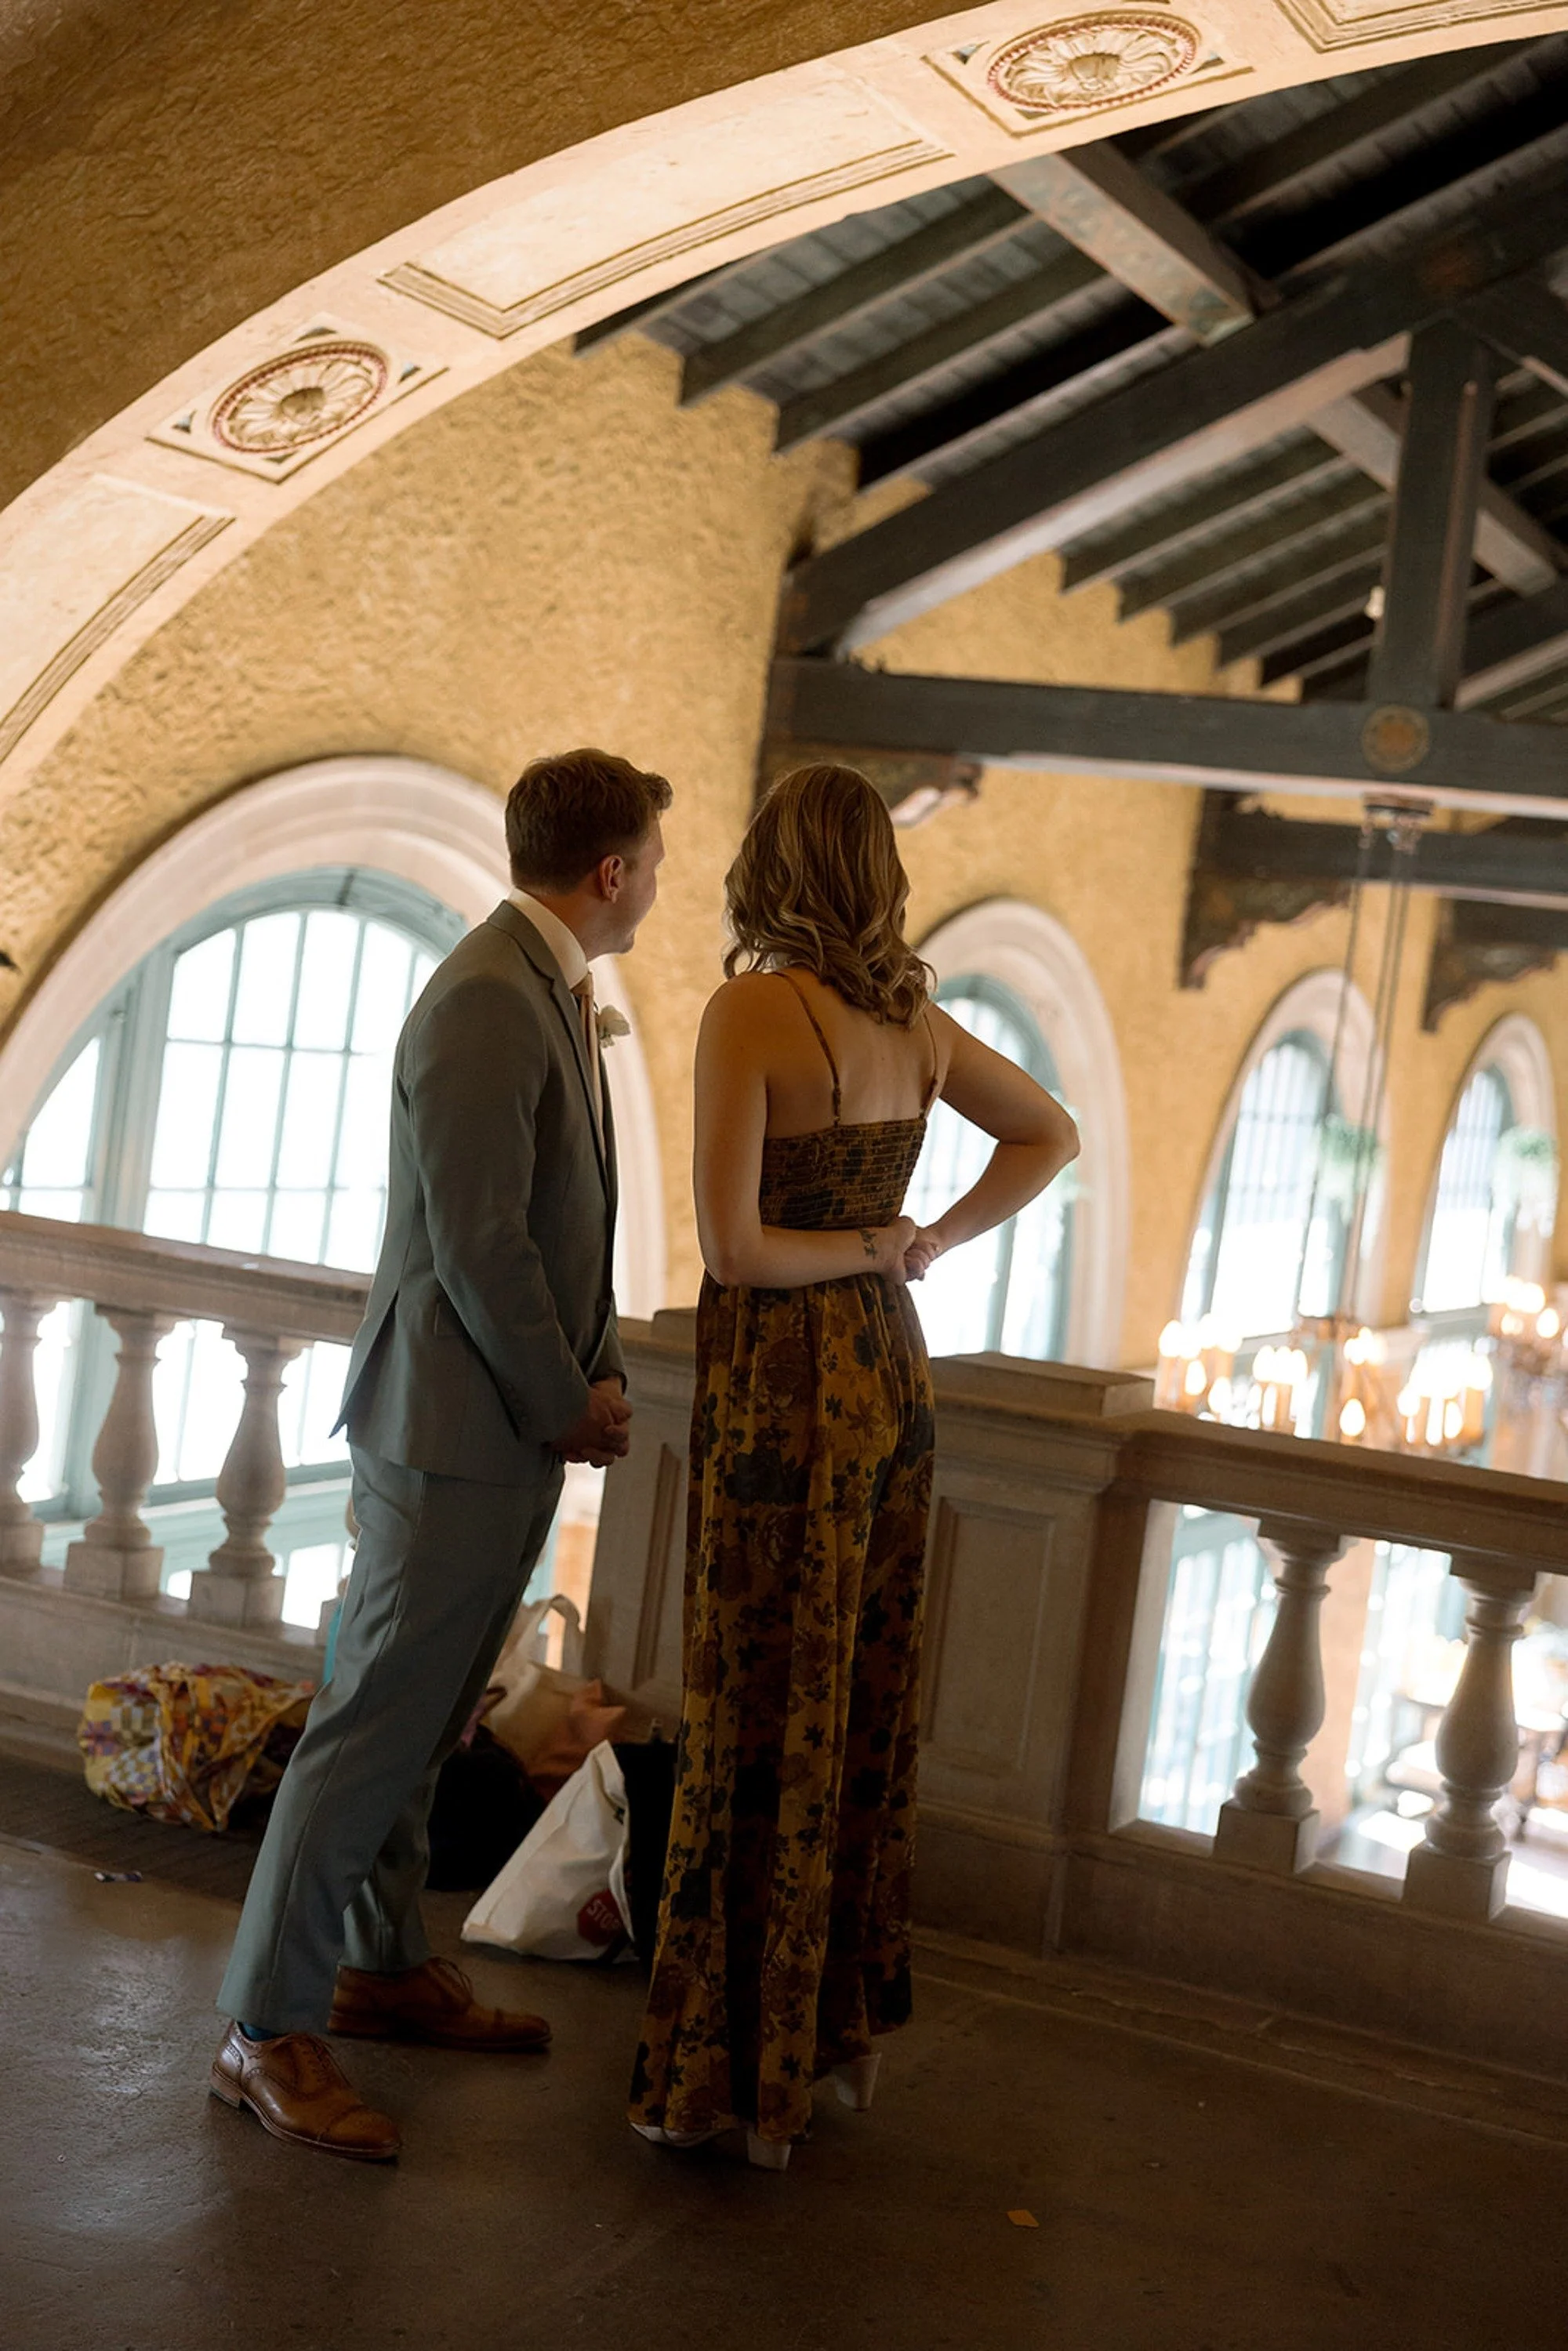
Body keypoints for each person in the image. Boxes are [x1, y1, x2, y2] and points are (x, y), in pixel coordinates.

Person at [211, 746, 670, 2161]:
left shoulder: (547, 989)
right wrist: (564, 1398)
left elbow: (558, 1220)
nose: (657, 882)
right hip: (450, 1430)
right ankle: (263, 2026)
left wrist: (591, 1370)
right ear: (612, 870)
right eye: (654, 861)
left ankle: (379, 1963)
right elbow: (479, 1241)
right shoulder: (485, 996)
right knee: (365, 1734)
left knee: (429, 1722)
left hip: (500, 1425)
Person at [628, 763, 1078, 2171]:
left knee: (755, 1702)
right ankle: (825, 2045)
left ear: (768, 866)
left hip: (784, 1388)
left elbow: (734, 1250)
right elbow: (1050, 1132)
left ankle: (721, 2072)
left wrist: (881, 1241)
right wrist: (922, 1241)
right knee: (854, 1701)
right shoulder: (914, 1022)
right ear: (877, 874)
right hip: (890, 1378)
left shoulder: (751, 1011)